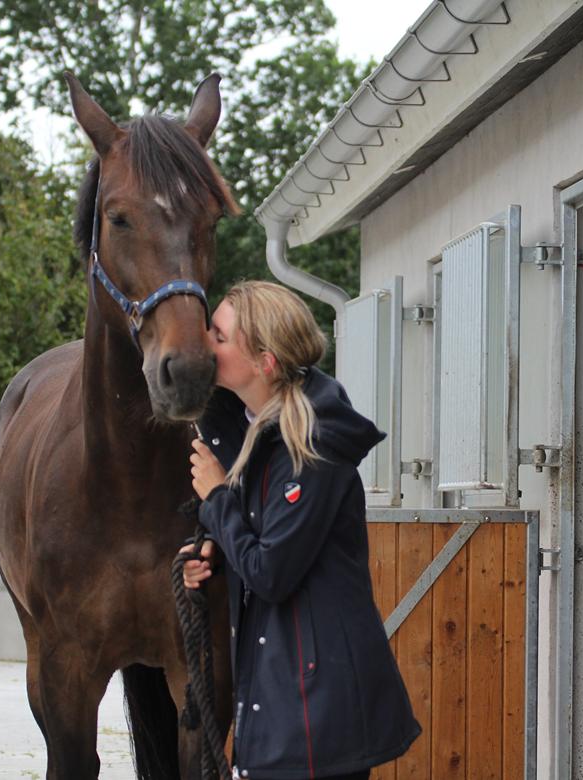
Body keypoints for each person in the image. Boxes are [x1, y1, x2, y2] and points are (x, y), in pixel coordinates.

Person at [181, 281, 420, 780]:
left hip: (315, 713)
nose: (205, 343)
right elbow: (270, 537)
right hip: (290, 699)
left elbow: (271, 572)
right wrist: (214, 552)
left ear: (264, 362)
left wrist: (219, 498)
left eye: (219, 336)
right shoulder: (259, 431)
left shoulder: (309, 450)